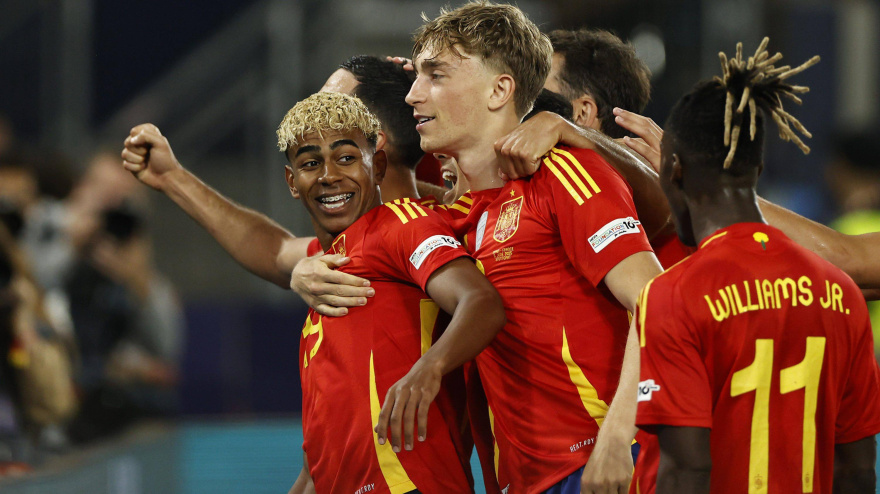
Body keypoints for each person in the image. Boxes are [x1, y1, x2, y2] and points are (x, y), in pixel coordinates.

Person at [123, 92, 506, 493]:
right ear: (292, 181)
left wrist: (429, 368)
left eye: (345, 158)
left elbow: (480, 302)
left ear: (376, 164)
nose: (328, 175)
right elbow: (271, 249)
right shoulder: (327, 264)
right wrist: (171, 178)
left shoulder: (400, 225)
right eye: (310, 163)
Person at [393, 3, 663, 492]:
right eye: (417, 77)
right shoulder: (459, 217)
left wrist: (618, 436)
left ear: (500, 89)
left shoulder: (563, 174)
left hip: (599, 467)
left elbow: (657, 301)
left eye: (436, 74)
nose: (414, 94)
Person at [634, 39, 880, 493]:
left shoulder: (675, 293)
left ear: (673, 170)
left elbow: (686, 469)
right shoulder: (840, 292)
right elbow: (859, 471)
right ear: (758, 169)